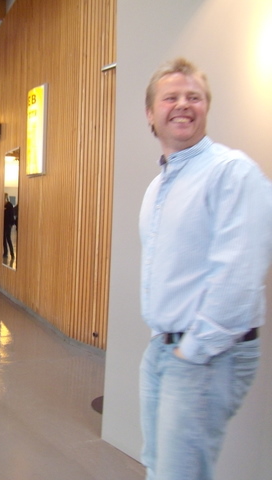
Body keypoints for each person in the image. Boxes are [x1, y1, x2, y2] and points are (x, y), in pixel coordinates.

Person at [139, 58, 272, 480]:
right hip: (163, 348)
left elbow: (240, 277)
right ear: (150, 114)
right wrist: (164, 345)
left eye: (193, 97)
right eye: (171, 97)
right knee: (158, 467)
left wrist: (191, 352)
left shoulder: (231, 172)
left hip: (207, 354)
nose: (183, 104)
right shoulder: (158, 187)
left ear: (206, 108)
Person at [3, 193, 15, 258]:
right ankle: (5, 252)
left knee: (8, 238)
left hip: (8, 225)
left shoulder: (9, 205)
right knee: (3, 239)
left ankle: (12, 253)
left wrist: (10, 224)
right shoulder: (2, 205)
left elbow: (11, 216)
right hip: (3, 224)